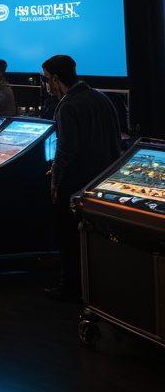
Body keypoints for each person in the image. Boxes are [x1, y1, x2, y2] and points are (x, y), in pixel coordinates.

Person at [43, 54, 122, 300]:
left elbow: (66, 148)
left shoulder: (67, 105)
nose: (47, 86)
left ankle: (72, 286)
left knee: (68, 237)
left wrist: (55, 180)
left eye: (46, 80)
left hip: (75, 183)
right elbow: (115, 140)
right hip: (102, 179)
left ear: (56, 79)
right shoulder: (101, 97)